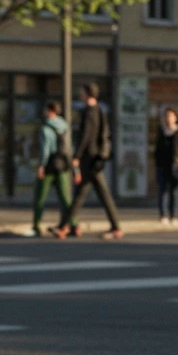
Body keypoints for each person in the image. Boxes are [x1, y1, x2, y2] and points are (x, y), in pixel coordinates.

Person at [51, 83, 123, 241]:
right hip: (95, 158)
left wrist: (77, 156)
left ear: (88, 94)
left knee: (82, 195)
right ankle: (65, 225)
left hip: (89, 158)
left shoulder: (89, 112)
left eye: (82, 92)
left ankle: (64, 226)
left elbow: (86, 136)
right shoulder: (100, 111)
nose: (80, 94)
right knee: (91, 194)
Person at [29, 102, 72, 236]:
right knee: (65, 197)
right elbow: (69, 147)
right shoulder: (64, 125)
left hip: (50, 164)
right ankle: (72, 222)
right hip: (62, 164)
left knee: (40, 196)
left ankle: (37, 224)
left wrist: (41, 166)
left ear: (51, 111)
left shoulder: (46, 128)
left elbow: (45, 149)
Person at [154, 107, 178, 226]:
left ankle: (173, 215)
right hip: (162, 165)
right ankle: (163, 215)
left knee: (174, 191)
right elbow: (157, 148)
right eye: (166, 116)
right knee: (163, 191)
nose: (168, 118)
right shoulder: (161, 130)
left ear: (175, 118)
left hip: (175, 166)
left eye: (171, 116)